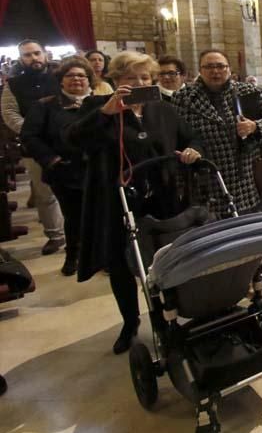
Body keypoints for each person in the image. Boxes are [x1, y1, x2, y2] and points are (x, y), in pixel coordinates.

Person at [64, 51, 202, 354]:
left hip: (161, 200)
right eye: (130, 78)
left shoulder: (162, 110)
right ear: (115, 80)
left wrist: (192, 150)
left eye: (144, 77)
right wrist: (107, 113)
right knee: (122, 264)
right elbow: (73, 140)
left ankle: (167, 316)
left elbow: (190, 137)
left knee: (163, 259)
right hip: (117, 202)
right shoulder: (97, 106)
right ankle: (130, 322)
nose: (138, 83)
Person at [172, 50, 262, 216]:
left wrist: (254, 126)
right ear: (200, 70)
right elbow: (178, 135)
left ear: (229, 69)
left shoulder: (248, 91)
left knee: (247, 228)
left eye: (220, 66)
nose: (215, 71)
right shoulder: (183, 98)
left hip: (245, 177)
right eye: (209, 67)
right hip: (207, 176)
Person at [20, 57, 95, 276]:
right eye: (70, 75)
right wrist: (52, 160)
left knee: (99, 216)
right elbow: (29, 136)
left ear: (89, 80)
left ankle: (100, 256)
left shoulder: (100, 103)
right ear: (61, 81)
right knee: (74, 217)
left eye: (81, 76)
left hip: (98, 171)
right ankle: (73, 256)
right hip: (66, 172)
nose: (76, 80)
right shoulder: (46, 105)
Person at [1, 39, 65, 255]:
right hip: (34, 146)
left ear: (45, 55)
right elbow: (9, 113)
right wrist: (32, 132)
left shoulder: (60, 77)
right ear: (21, 59)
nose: (34, 58)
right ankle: (55, 235)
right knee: (44, 193)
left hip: (65, 141)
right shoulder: (14, 84)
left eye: (37, 53)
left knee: (74, 189)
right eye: (28, 55)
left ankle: (78, 232)